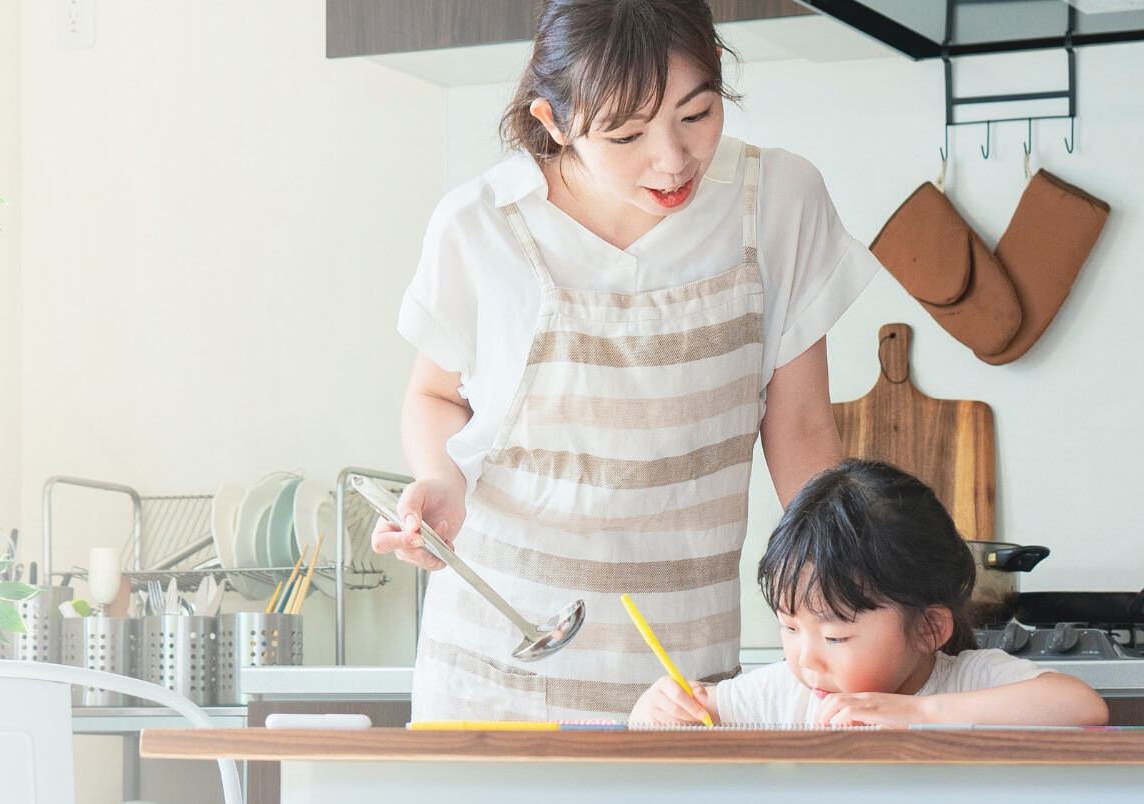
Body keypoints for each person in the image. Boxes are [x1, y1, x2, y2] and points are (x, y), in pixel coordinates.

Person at [371, 0, 883, 721]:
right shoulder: (480, 223)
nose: (672, 159)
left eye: (697, 115)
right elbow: (433, 394)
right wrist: (440, 478)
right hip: (493, 671)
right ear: (552, 121)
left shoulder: (778, 202)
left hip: (682, 680)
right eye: (626, 133)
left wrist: (849, 610)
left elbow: (799, 430)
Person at [630, 460, 1109, 727]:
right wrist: (654, 710)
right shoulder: (787, 692)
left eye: (835, 638)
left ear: (928, 628)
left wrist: (918, 712)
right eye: (790, 627)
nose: (806, 659)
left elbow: (1082, 706)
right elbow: (685, 716)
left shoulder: (966, 681)